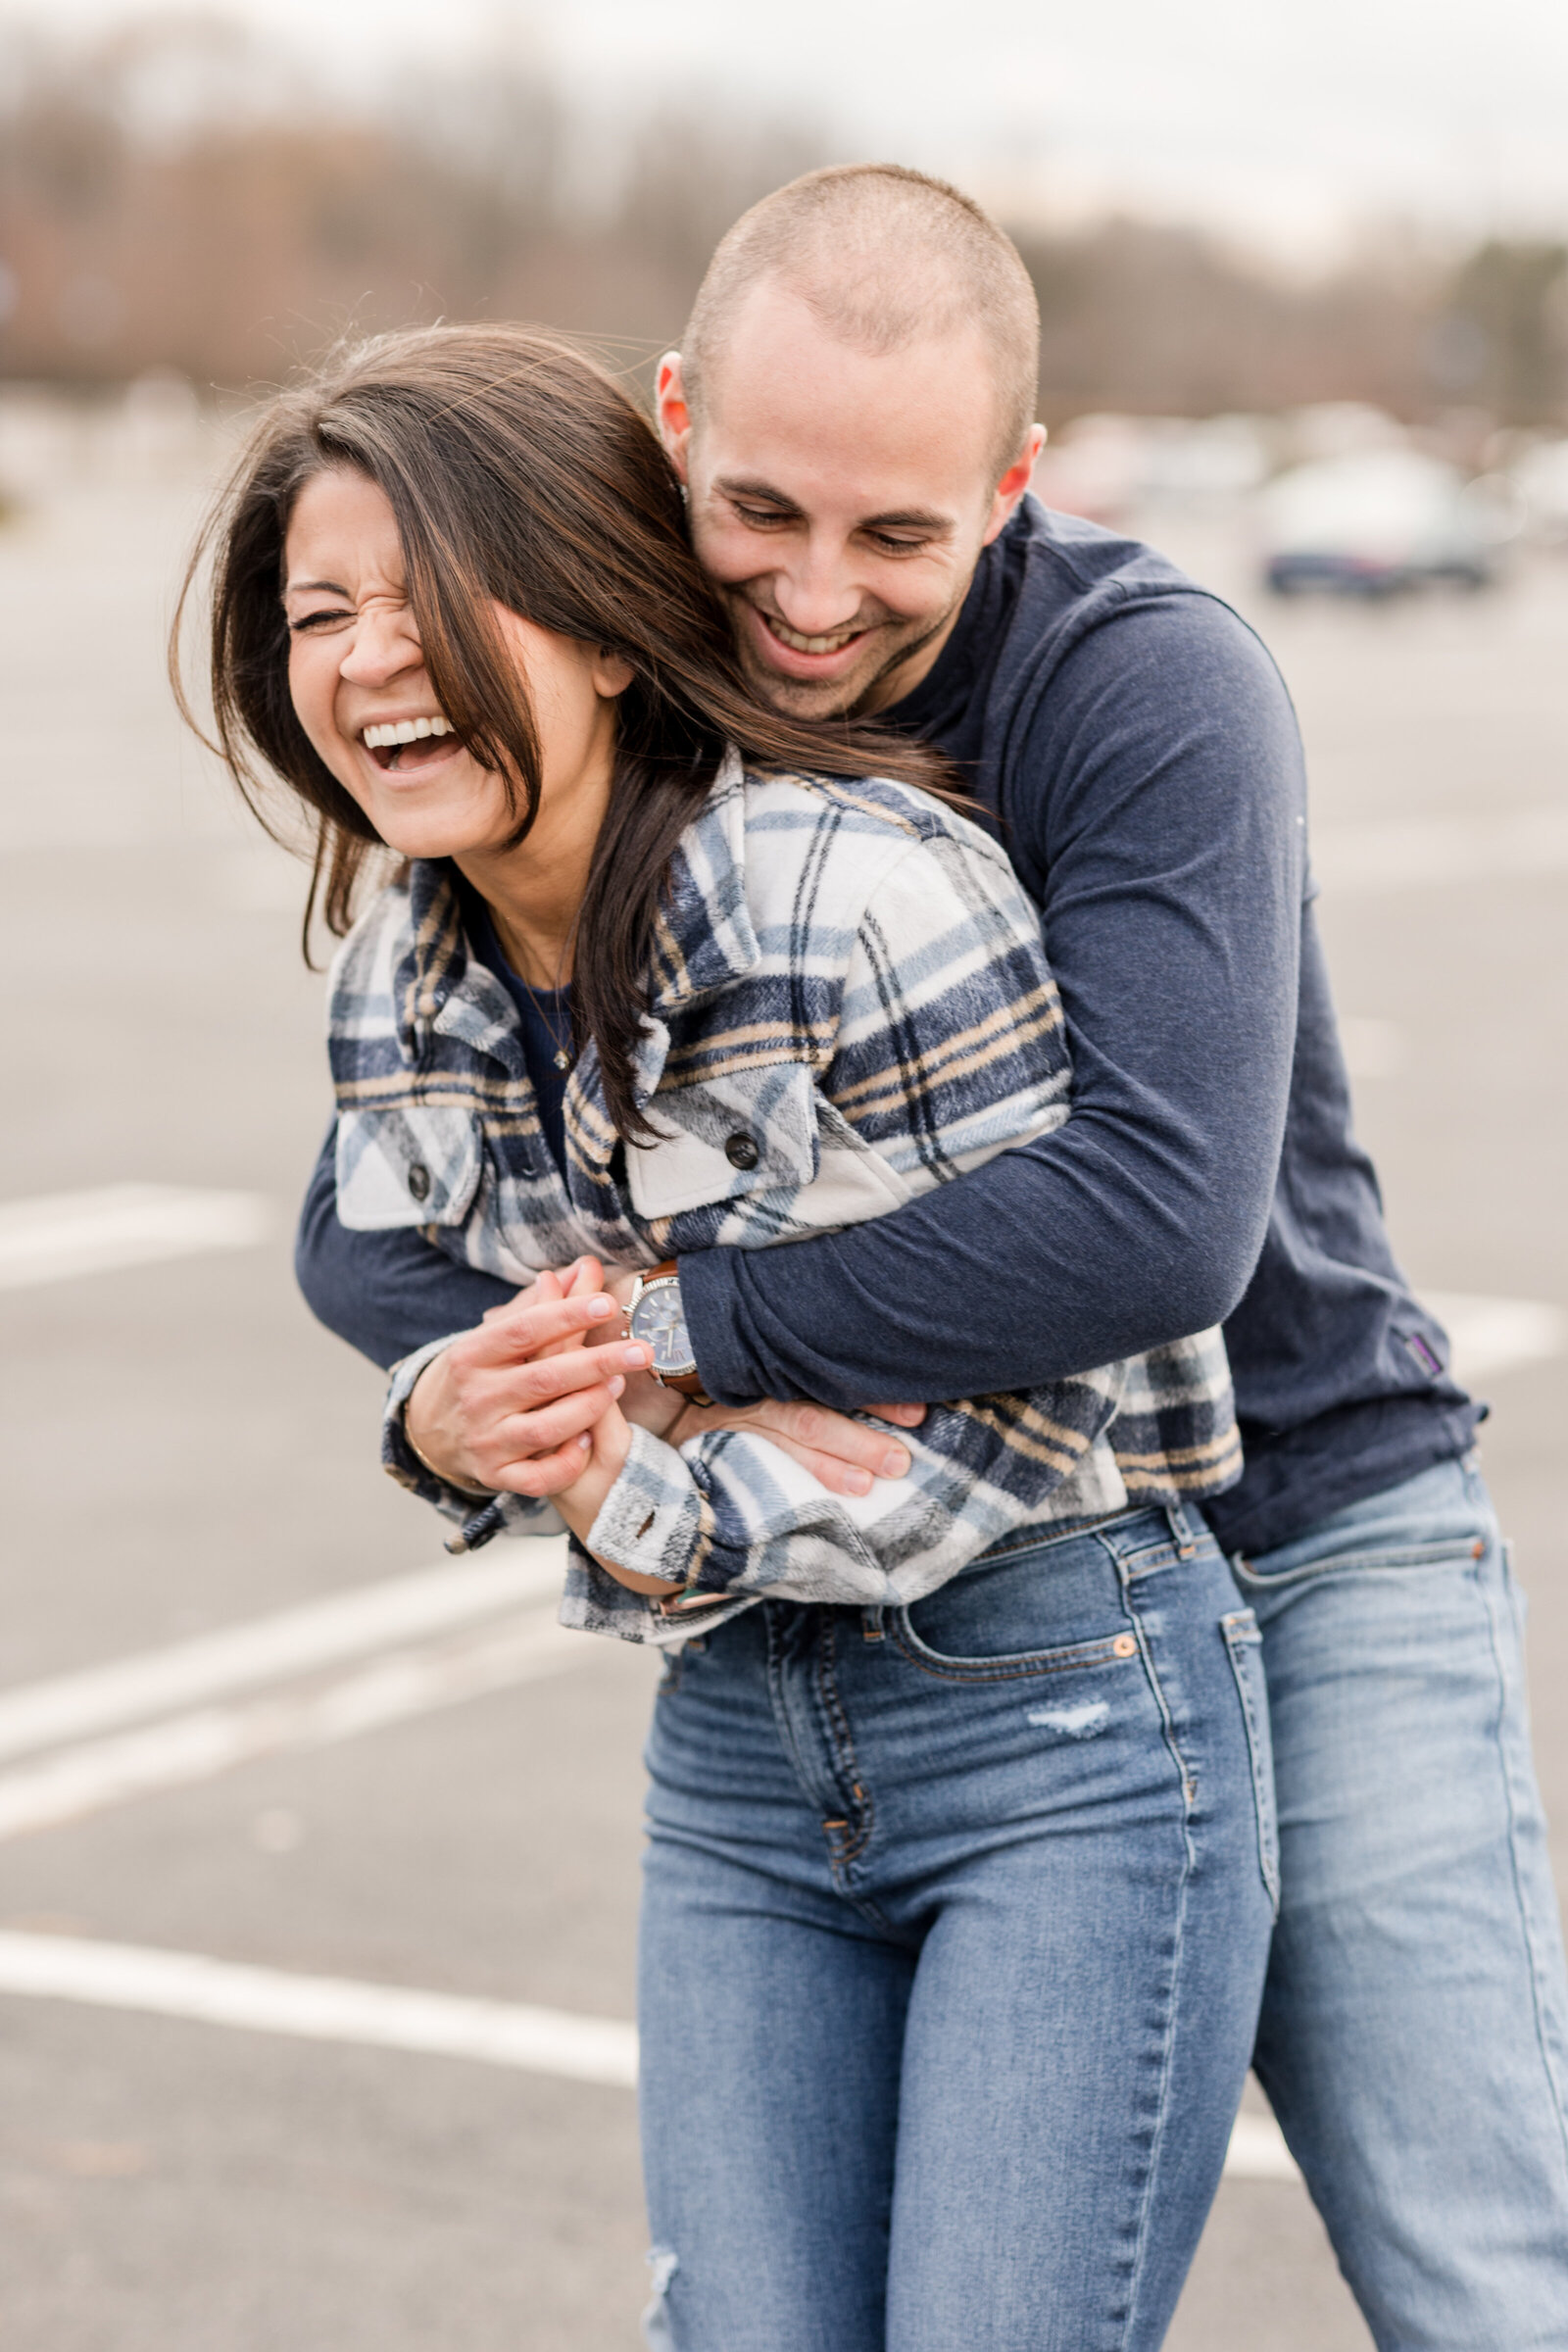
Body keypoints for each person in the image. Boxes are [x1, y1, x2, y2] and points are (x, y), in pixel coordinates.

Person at [296, 167, 1568, 2346]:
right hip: (908, 1579)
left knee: (1465, 2256)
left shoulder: (1142, 683)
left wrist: (679, 1331)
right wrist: (490, 1380)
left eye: (896, 536)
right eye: (758, 510)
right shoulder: (642, 664)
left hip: (1291, 1510)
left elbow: (1153, 1213)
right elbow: (369, 1203)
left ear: (1010, 483)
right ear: (676, 424)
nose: (804, 597)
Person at [181, 320, 1278, 2350]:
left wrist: (636, 1463)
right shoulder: (400, 965)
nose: (361, 659)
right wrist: (468, 1419)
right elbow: (394, 1276)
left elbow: (1039, 1418)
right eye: (318, 611)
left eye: (429, 604)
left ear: (604, 625)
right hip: (737, 1748)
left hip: (1058, 1709)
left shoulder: (845, 892)